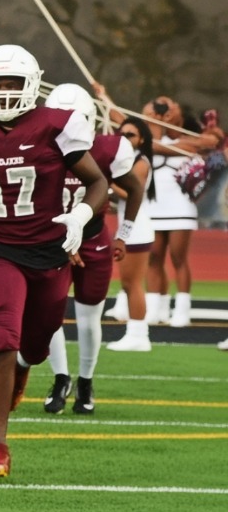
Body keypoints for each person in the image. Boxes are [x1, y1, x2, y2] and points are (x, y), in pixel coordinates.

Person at [0, 44, 107, 478]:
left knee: (34, 344)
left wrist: (83, 215)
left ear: (32, 86)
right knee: (1, 337)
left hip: (50, 251)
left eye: (13, 83)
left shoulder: (57, 125)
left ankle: (26, 366)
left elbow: (97, 182)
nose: (5, 91)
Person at [34, 84, 145, 409]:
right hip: (51, 240)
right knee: (49, 315)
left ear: (91, 120)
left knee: (88, 318)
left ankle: (85, 382)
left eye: (76, 118)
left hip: (94, 239)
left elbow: (135, 189)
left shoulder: (110, 149)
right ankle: (60, 379)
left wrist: (123, 234)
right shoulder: (37, 147)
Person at [138, 97, 220, 328]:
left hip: (180, 208)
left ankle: (182, 309)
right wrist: (104, 96)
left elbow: (213, 140)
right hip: (154, 207)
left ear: (178, 114)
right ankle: (157, 309)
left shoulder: (192, 141)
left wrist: (176, 144)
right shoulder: (150, 139)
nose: (163, 107)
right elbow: (129, 125)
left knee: (178, 258)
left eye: (169, 105)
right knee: (153, 258)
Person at [106, 116, 159, 351]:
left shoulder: (141, 161)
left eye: (130, 135)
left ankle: (138, 335)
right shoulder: (127, 160)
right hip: (131, 226)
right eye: (121, 133)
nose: (124, 138)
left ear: (142, 139)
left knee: (132, 283)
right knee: (128, 284)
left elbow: (130, 193)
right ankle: (136, 333)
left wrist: (106, 182)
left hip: (137, 229)